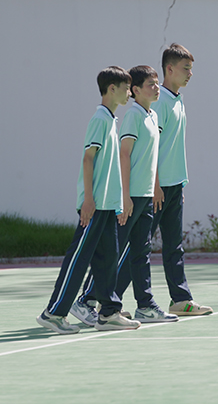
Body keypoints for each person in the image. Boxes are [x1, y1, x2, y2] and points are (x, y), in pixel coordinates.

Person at [36, 66, 141, 334]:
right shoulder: (100, 119)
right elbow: (88, 158)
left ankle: (109, 314)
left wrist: (116, 202)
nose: (129, 93)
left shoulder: (111, 120)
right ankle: (54, 313)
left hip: (107, 206)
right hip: (94, 206)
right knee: (79, 259)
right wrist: (89, 200)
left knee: (108, 260)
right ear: (112, 89)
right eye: (126, 88)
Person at [70, 65, 179, 325]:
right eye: (150, 84)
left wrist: (155, 186)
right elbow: (124, 155)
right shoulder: (132, 116)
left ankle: (146, 306)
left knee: (141, 252)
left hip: (146, 196)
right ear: (136, 90)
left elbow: (151, 156)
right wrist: (125, 196)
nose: (156, 88)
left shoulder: (153, 116)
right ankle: (86, 300)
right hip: (131, 197)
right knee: (113, 253)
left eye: (157, 83)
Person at [152, 43, 212, 316]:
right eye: (186, 68)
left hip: (175, 186)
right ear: (169, 69)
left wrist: (179, 184)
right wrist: (155, 185)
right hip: (157, 188)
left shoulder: (178, 100)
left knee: (174, 247)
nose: (190, 74)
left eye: (191, 69)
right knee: (136, 247)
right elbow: (152, 147)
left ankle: (180, 300)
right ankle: (101, 301)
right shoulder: (160, 102)